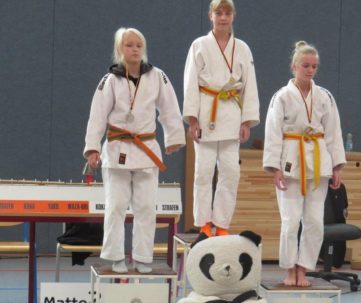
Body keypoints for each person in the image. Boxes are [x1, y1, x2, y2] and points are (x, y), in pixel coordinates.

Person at [83, 27, 185, 273]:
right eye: (129, 45)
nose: (135, 49)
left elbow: (169, 107)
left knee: (146, 207)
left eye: (139, 45)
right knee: (116, 206)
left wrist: (173, 138)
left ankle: (142, 257)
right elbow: (97, 116)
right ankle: (115, 256)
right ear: (120, 49)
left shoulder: (157, 76)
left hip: (146, 149)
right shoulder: (110, 80)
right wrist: (92, 148)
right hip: (117, 149)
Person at [263, 41, 346, 286]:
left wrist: (336, 167)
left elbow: (333, 132)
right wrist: (275, 167)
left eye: (314, 66)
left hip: (319, 162)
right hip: (291, 159)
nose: (310, 70)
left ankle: (304, 267)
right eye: (305, 65)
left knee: (314, 222)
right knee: (290, 222)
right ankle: (289, 268)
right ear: (294, 66)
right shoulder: (282, 97)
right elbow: (272, 131)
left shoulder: (325, 96)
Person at [183, 0, 259, 237]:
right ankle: (205, 224)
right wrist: (192, 119)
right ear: (210, 16)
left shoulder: (243, 48)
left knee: (230, 173)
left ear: (233, 17)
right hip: (207, 111)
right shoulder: (199, 45)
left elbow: (250, 85)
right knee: (203, 172)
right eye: (219, 13)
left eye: (227, 13)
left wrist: (247, 121)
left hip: (231, 114)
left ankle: (222, 223)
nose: (223, 17)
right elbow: (190, 83)